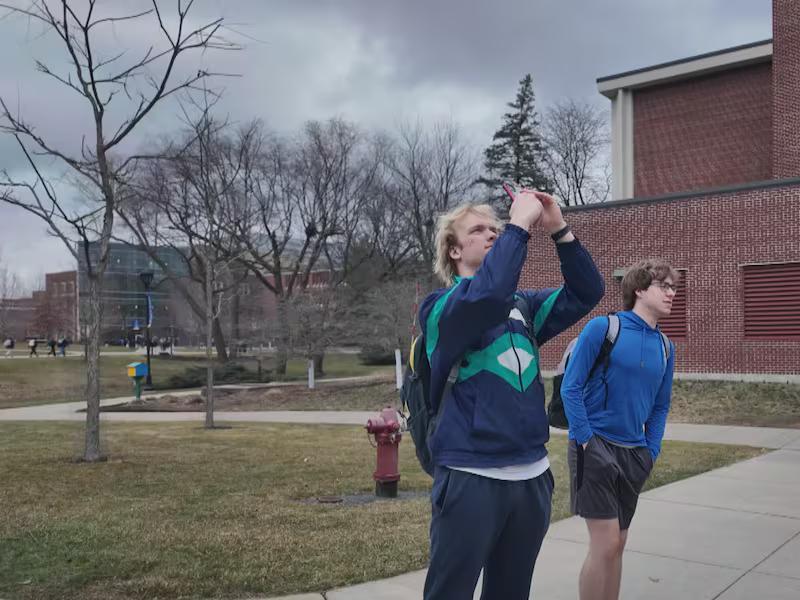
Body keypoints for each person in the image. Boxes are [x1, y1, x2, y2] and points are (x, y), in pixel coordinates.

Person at [420, 189, 605, 600]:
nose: (492, 234)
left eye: (495, 228)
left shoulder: (523, 305)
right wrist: (518, 227)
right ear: (453, 251)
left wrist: (557, 226)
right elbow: (486, 295)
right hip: (471, 476)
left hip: (531, 477)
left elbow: (588, 290)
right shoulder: (441, 309)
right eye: (478, 230)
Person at [561, 259, 677, 600]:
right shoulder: (604, 328)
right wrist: (586, 442)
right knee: (606, 543)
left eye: (674, 287)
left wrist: (650, 451)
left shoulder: (666, 347)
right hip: (594, 444)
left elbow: (660, 406)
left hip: (634, 452)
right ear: (639, 289)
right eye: (664, 286)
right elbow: (571, 387)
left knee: (619, 544)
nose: (672, 293)